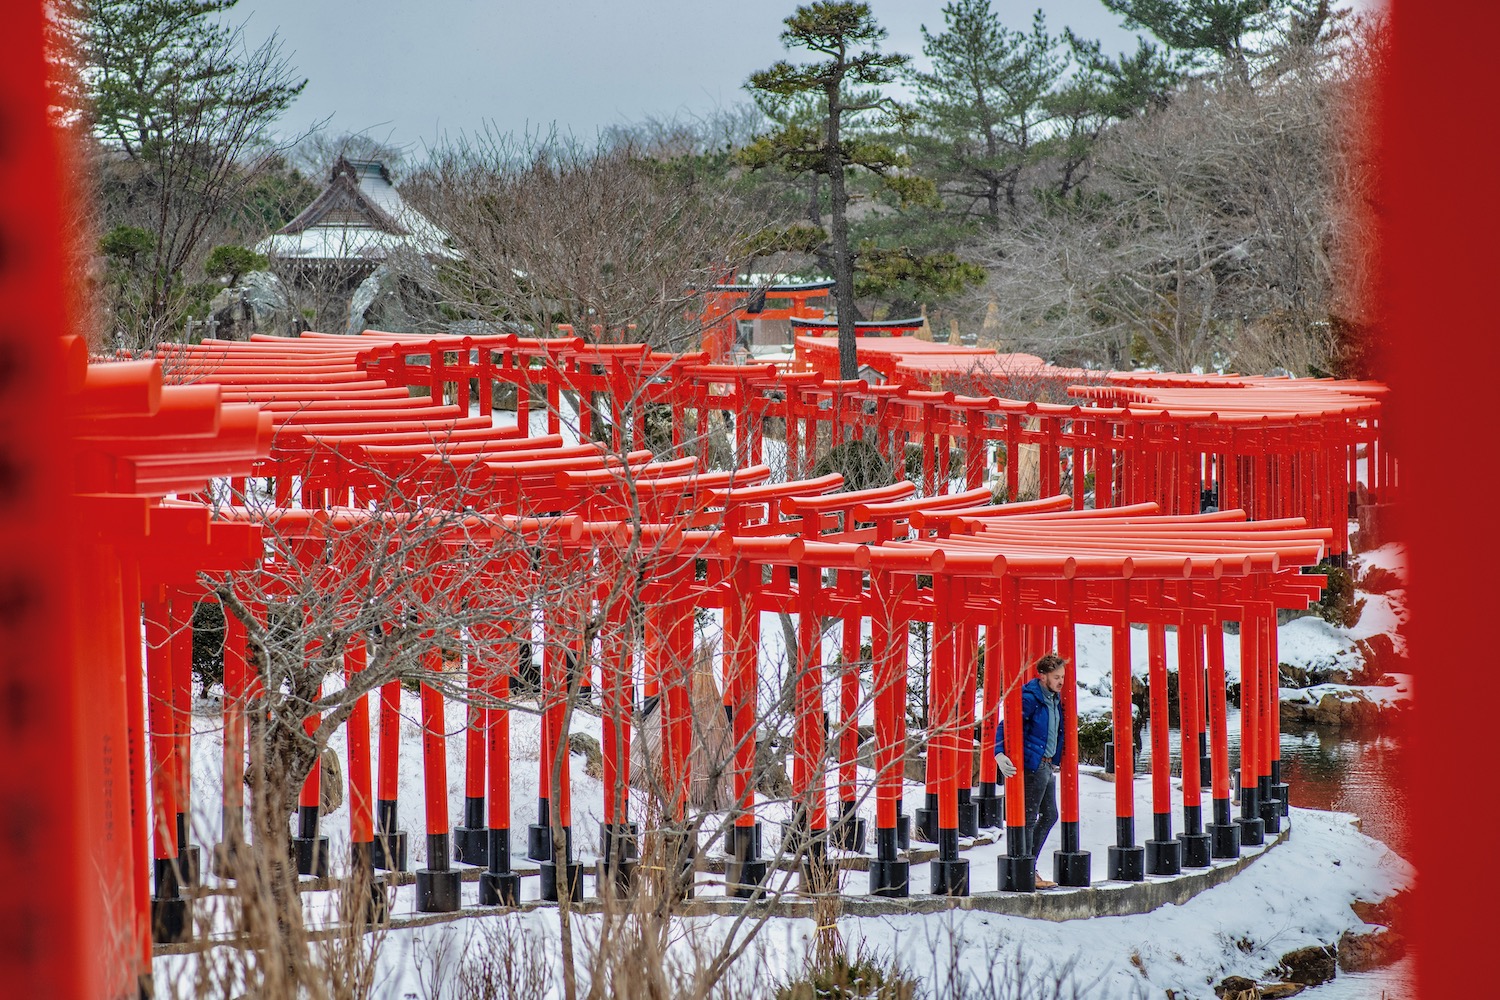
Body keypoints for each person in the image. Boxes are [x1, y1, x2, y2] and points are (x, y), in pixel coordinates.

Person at [994, 652, 1067, 889]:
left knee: (1050, 815)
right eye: (1056, 677)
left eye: (1062, 677)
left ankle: (1029, 864)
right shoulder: (1031, 698)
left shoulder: (1054, 699)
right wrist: (999, 752)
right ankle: (1026, 869)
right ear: (1043, 675)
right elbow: (1007, 724)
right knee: (1028, 818)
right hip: (1033, 765)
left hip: (1047, 765)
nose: (1060, 682)